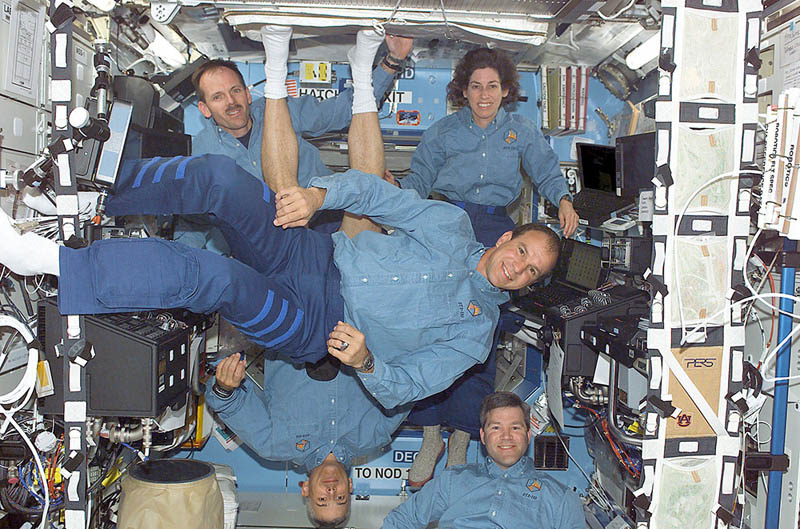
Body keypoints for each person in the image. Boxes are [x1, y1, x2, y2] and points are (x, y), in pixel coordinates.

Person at [0, 28, 560, 413]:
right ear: (507, 236)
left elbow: (408, 387)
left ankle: (50, 262)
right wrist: (320, 195)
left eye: (531, 272)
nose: (518, 268)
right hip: (314, 251)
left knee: (217, 278)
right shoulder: (452, 227)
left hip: (315, 325)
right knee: (222, 178)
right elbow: (378, 196)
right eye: (523, 252)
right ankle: (92, 195)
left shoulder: (474, 337)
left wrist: (367, 362)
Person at [389, 47, 578, 486]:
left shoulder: (521, 131)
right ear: (463, 90)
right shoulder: (443, 132)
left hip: (496, 230)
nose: (484, 94)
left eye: (492, 86)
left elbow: (546, 169)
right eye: (475, 86)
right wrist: (397, 208)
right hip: (448, 224)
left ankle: (461, 435)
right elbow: (418, 181)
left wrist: (564, 198)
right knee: (434, 330)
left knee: (480, 336)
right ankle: (431, 435)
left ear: (506, 89)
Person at [175, 29, 413, 251]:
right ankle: (276, 69)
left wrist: (393, 60)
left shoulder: (282, 111)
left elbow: (341, 111)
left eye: (235, 91)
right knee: (287, 210)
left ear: (247, 94)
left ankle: (279, 73)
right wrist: (182, 260)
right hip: (270, 243)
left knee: (366, 208)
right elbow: (193, 220)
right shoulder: (199, 155)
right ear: (204, 109)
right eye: (218, 97)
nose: (231, 102)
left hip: (328, 216)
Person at [206, 350, 411, 527]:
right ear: (350, 486)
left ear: (305, 489)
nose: (331, 491)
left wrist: (224, 387)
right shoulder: (374, 436)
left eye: (322, 499)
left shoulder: (272, 445)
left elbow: (227, 404)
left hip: (291, 327)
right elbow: (407, 387)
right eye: (340, 497)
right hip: (357, 324)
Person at [381, 392, 586, 529]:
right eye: (496, 428)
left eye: (515, 428)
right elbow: (401, 521)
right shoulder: (452, 481)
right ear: (483, 436)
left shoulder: (560, 498)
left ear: (528, 435)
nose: (506, 436)